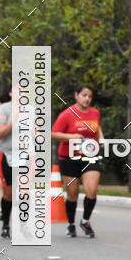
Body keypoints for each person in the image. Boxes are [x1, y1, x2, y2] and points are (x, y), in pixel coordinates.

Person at [52, 85, 104, 238]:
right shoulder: (67, 114)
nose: (87, 98)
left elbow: (97, 127)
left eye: (89, 96)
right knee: (72, 193)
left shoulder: (95, 113)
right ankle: (71, 224)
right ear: (76, 95)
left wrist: (101, 139)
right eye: (84, 95)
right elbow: (53, 134)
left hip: (90, 157)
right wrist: (71, 137)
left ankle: (85, 220)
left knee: (92, 190)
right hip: (68, 158)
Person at [0, 88, 13, 239]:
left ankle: (24, 225)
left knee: (25, 192)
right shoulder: (3, 108)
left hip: (27, 155)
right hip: (7, 153)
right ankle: (6, 224)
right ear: (11, 93)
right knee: (8, 193)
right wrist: (14, 120)